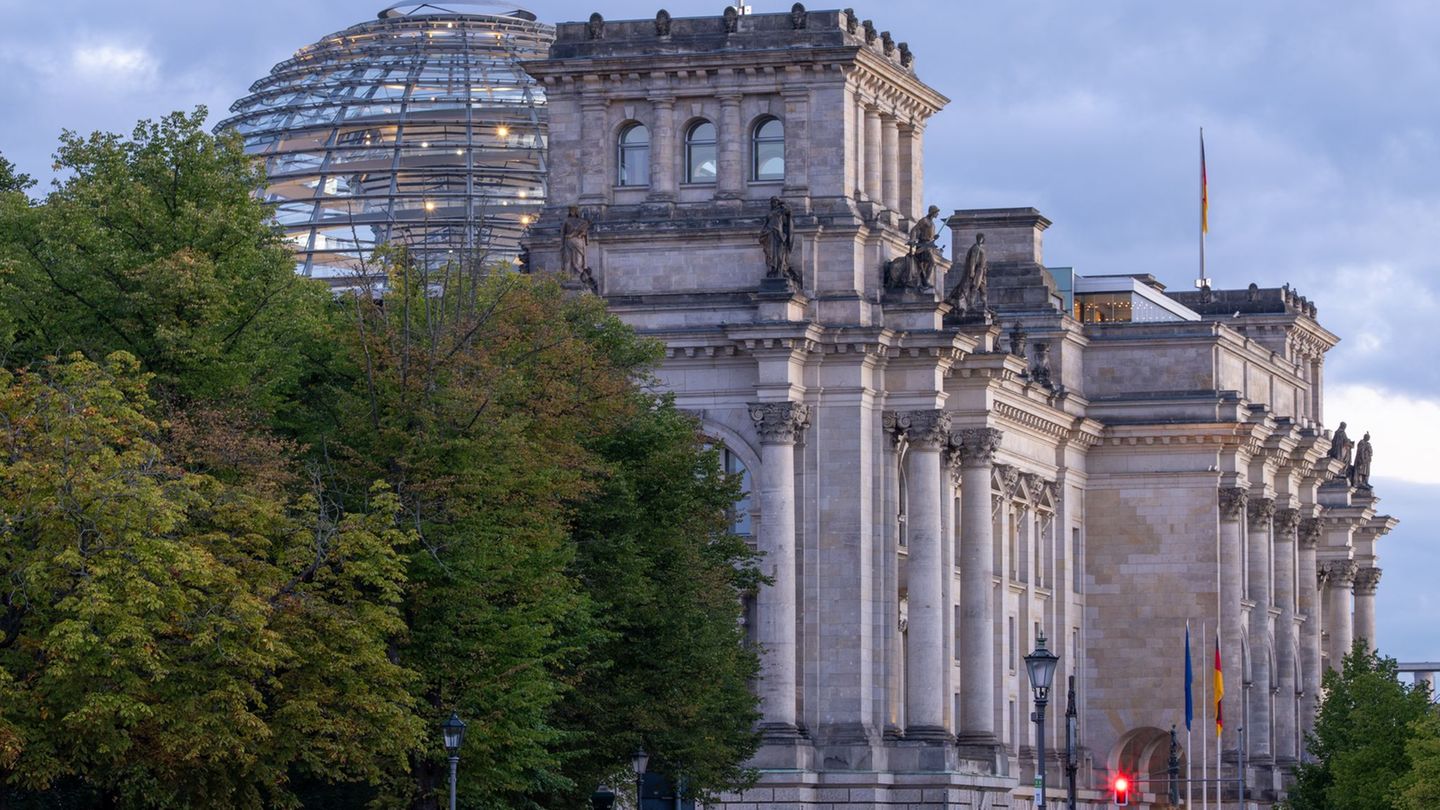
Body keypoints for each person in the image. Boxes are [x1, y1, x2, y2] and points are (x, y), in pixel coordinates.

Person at [759, 197, 799, 286]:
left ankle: (780, 270)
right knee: (770, 254)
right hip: (769, 234)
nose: (773, 203)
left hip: (779, 236)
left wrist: (783, 202)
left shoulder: (781, 212)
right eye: (772, 202)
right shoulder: (769, 213)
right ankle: (772, 270)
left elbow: (788, 210)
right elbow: (765, 224)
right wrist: (763, 233)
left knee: (779, 254)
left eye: (775, 201)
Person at [908, 205, 941, 289]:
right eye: (937, 212)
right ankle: (925, 282)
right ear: (933, 212)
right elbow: (914, 229)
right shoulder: (924, 220)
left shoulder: (932, 223)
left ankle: (924, 281)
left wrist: (935, 237)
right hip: (923, 245)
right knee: (932, 263)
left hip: (929, 246)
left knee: (926, 264)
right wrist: (912, 240)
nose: (938, 214)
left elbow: (929, 236)